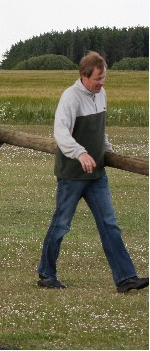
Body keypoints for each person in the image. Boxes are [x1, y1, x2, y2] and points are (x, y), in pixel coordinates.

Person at [37, 51, 148, 293]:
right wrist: (80, 153)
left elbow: (99, 128)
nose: (102, 82)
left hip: (96, 175)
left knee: (110, 225)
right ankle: (46, 274)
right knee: (61, 225)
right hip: (72, 176)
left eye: (104, 77)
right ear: (84, 76)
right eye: (98, 78)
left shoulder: (101, 94)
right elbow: (61, 132)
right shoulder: (70, 97)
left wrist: (106, 148)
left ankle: (126, 278)